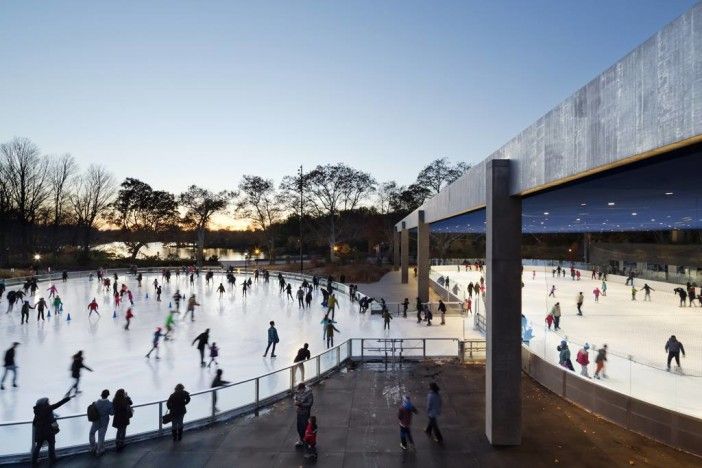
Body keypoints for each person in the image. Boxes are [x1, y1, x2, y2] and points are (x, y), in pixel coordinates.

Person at [31, 394, 71, 465]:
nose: (49, 403)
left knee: (38, 446)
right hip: (49, 432)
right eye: (47, 402)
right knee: (51, 444)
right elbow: (58, 404)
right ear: (44, 403)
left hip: (40, 432)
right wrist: (67, 399)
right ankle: (53, 459)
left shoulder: (37, 411)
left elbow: (34, 423)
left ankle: (34, 460)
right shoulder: (47, 408)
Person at [89, 389, 114, 456]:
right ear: (108, 395)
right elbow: (112, 413)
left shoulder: (96, 403)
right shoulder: (110, 404)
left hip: (96, 421)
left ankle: (93, 447)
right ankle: (99, 450)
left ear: (101, 395)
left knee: (92, 433)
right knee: (101, 436)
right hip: (104, 422)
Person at [293, 383, 314, 448]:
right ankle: (301, 439)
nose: (299, 391)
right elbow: (295, 397)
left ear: (303, 388)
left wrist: (301, 404)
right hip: (299, 412)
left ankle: (306, 440)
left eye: (300, 390)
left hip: (305, 413)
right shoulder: (298, 391)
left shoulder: (309, 393)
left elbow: (310, 404)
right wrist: (295, 401)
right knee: (299, 427)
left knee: (305, 427)